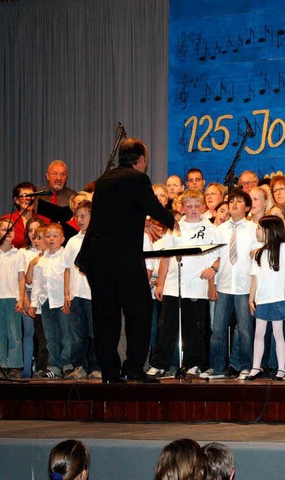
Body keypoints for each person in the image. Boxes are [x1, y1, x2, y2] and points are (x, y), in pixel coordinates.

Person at [76, 138, 176, 383]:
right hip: (123, 258)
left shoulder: (103, 180)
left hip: (97, 258)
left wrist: (144, 222)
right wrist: (172, 220)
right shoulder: (137, 179)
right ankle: (134, 368)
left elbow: (116, 215)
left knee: (105, 316)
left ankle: (110, 373)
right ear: (140, 160)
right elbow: (152, 206)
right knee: (139, 311)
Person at [148, 190, 216, 378]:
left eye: (197, 206)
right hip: (172, 284)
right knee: (166, 326)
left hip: (197, 285)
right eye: (189, 206)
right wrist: (160, 284)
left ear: (203, 207)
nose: (193, 210)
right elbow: (166, 257)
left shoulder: (211, 229)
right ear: (182, 208)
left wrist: (212, 283)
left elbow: (216, 257)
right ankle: (160, 363)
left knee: (194, 328)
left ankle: (193, 364)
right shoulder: (175, 228)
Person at [200, 189, 257, 380]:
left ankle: (245, 365)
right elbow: (212, 258)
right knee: (218, 330)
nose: (234, 204)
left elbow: (257, 258)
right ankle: (217, 367)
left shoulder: (253, 229)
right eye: (232, 201)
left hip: (244, 286)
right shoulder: (219, 230)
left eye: (240, 201)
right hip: (223, 285)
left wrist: (254, 290)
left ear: (248, 208)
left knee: (245, 330)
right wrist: (211, 285)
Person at [246, 215, 285, 381]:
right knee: (258, 333)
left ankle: (281, 368)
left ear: (269, 230)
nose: (257, 232)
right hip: (262, 299)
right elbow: (255, 277)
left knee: (278, 334)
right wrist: (251, 298)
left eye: (259, 229)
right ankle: (255, 367)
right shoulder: (259, 253)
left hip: (278, 298)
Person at [0, 218, 26, 379]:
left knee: (14, 333)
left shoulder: (18, 254)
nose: (8, 233)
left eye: (11, 230)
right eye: (4, 230)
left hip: (13, 298)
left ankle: (14, 366)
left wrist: (21, 298)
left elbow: (21, 277)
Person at [63, 200, 100, 380]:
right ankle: (79, 366)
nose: (79, 219)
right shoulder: (72, 241)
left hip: (93, 295)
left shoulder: (99, 239)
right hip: (76, 294)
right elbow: (68, 269)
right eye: (77, 216)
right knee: (78, 335)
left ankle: (96, 366)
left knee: (95, 332)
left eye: (83, 216)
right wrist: (66, 294)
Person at [29, 223, 70, 379]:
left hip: (60, 301)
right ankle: (53, 365)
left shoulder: (66, 256)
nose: (51, 239)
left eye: (55, 236)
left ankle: (67, 364)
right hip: (46, 301)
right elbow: (37, 283)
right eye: (48, 236)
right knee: (49, 336)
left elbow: (69, 278)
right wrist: (34, 304)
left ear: (62, 239)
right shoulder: (41, 260)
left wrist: (68, 297)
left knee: (65, 334)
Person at [21, 217, 48, 377]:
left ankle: (46, 366)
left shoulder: (51, 254)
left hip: (47, 296)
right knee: (30, 332)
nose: (34, 236)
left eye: (38, 233)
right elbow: (25, 280)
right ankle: (26, 370)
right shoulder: (23, 253)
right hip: (30, 295)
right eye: (31, 231)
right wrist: (25, 298)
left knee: (46, 334)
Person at [0, 182, 50, 249]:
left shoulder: (45, 220)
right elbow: (1, 245)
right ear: (17, 200)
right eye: (25, 195)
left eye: (32, 195)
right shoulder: (7, 220)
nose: (28, 198)